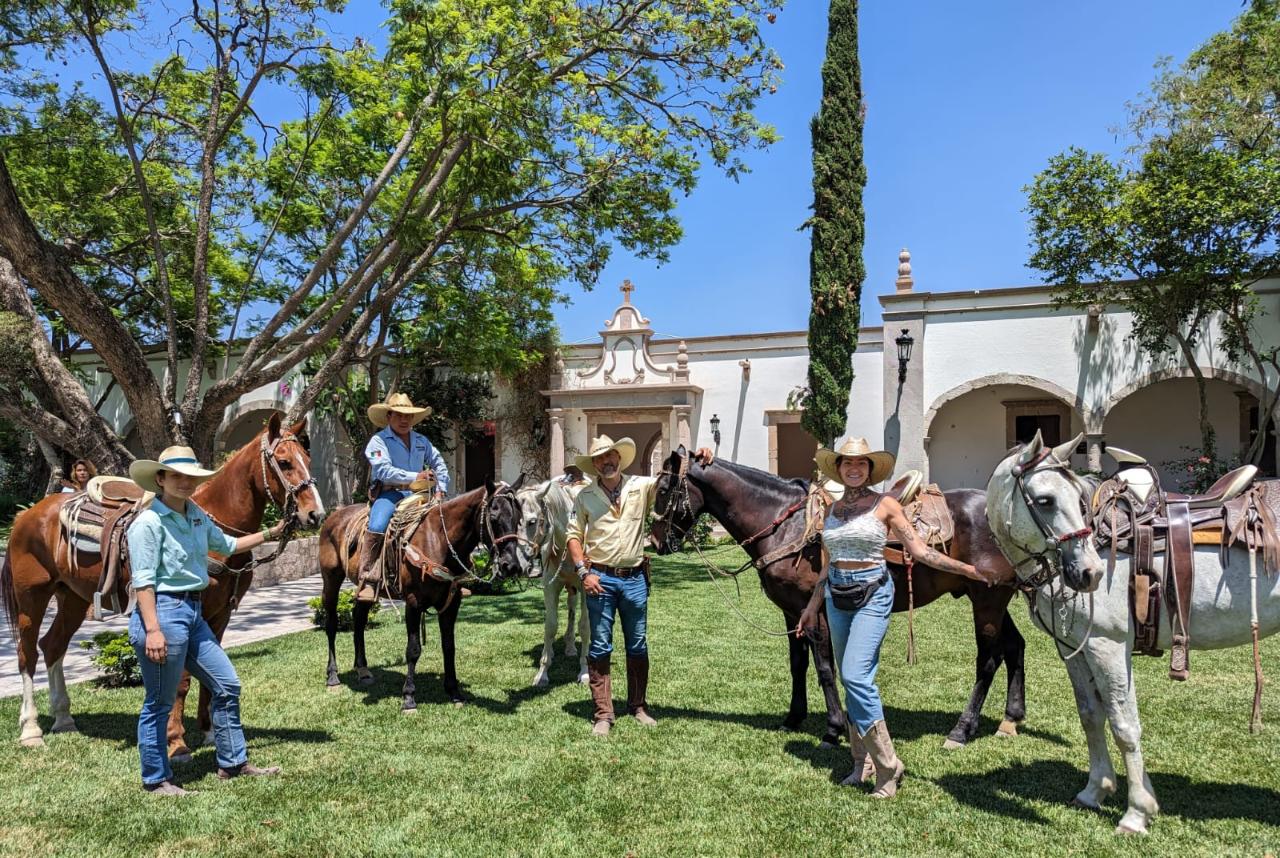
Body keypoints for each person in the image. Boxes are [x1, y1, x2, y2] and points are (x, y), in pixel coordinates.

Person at [797, 437, 989, 799]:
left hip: (873, 593)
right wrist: (811, 607)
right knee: (853, 680)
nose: (854, 469)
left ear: (870, 470)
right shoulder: (832, 511)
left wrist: (966, 568)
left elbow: (919, 550)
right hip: (838, 596)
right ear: (838, 468)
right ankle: (860, 762)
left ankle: (889, 767)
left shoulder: (885, 505)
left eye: (862, 464)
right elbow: (827, 565)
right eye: (847, 463)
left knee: (855, 675)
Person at [126, 445, 289, 796]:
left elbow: (228, 544)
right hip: (163, 614)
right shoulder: (148, 523)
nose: (185, 482)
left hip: (193, 613)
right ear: (160, 479)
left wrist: (271, 534)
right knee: (159, 701)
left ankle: (233, 762)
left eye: (191, 477)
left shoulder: (196, 515)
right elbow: (143, 581)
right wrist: (153, 629)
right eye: (177, 476)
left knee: (226, 684)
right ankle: (156, 779)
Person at [566, 435, 713, 737]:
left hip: (634, 579)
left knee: (637, 644)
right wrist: (583, 573)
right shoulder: (584, 496)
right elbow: (573, 536)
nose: (606, 462)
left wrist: (697, 458)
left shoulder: (641, 486)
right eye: (599, 458)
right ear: (593, 464)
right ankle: (604, 714)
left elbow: (674, 478)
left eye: (610, 456)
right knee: (599, 645)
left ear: (619, 458)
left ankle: (638, 706)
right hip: (600, 580)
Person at [355, 392, 450, 603]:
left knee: (447, 519)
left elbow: (439, 463)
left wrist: (441, 488)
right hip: (390, 493)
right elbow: (383, 471)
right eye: (399, 415)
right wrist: (415, 476)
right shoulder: (378, 441)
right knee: (378, 524)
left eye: (408, 416)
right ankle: (369, 579)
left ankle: (454, 577)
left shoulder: (420, 440)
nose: (404, 420)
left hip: (420, 494)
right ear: (389, 416)